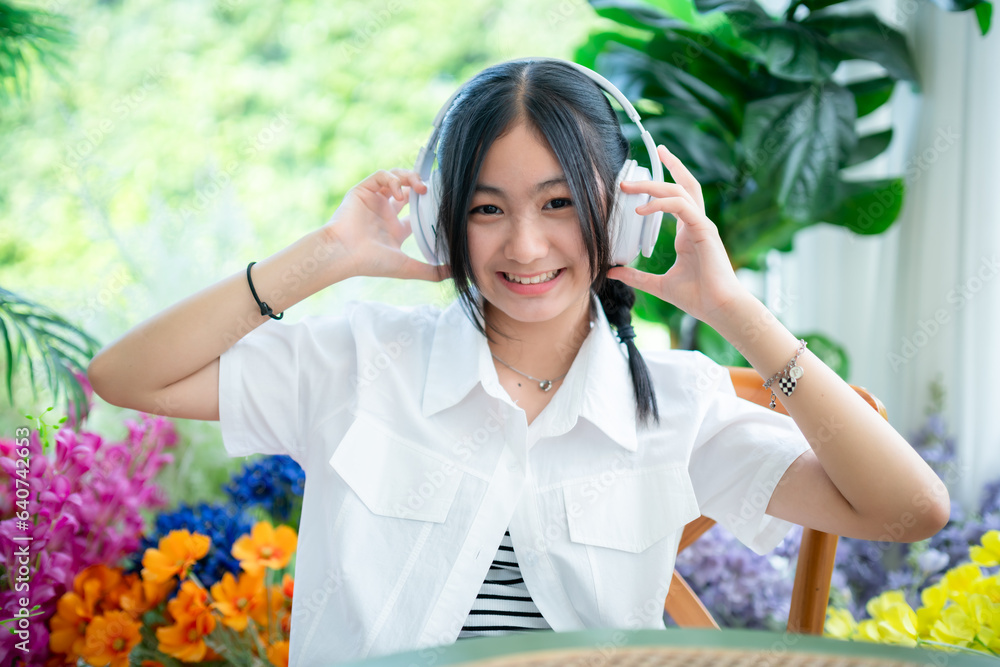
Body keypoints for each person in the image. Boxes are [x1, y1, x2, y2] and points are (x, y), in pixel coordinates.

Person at [87, 57, 950, 665]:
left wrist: (734, 311)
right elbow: (126, 376)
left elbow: (910, 510)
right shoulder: (359, 362)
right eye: (488, 207)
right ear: (445, 222)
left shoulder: (677, 404)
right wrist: (327, 254)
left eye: (561, 202)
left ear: (625, 219)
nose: (526, 244)